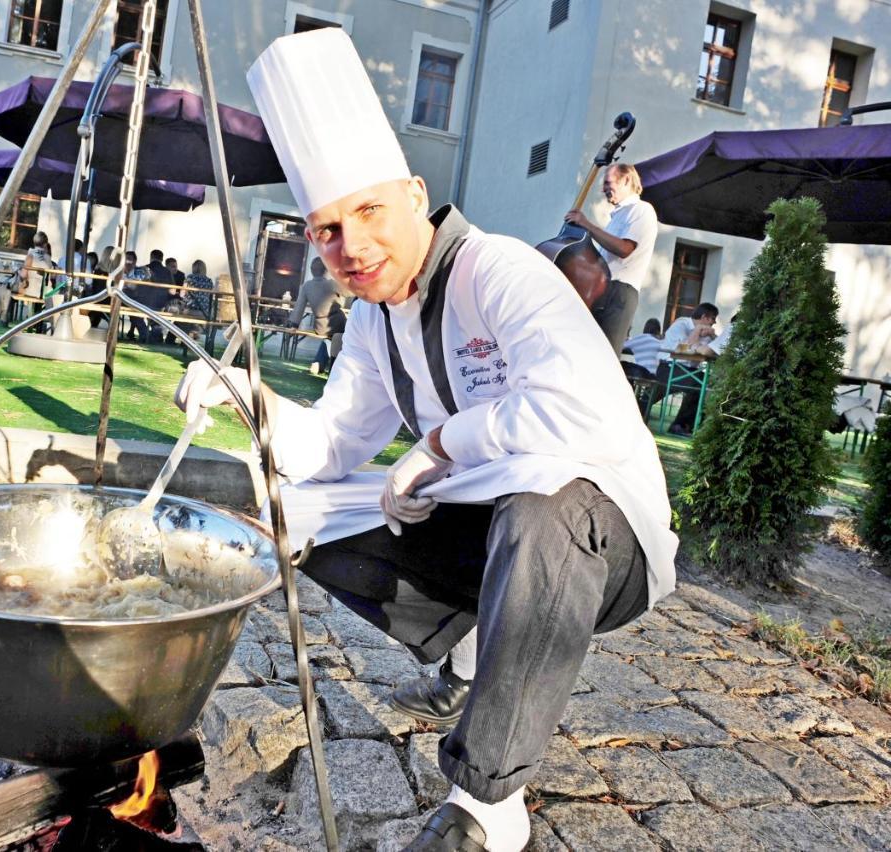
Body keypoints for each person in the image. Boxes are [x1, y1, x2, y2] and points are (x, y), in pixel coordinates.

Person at [175, 29, 676, 852]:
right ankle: (479, 644)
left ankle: (487, 804)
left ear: (414, 194)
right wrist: (249, 399)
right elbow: (331, 447)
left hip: (602, 542)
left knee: (542, 510)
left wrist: (442, 441)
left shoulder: (503, 270)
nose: (353, 246)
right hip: (492, 538)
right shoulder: (374, 322)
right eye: (328, 229)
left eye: (368, 211)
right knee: (289, 514)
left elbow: (585, 409)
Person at [563, 163, 658, 355]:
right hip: (604, 291)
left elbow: (624, 249)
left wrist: (586, 224)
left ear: (626, 180)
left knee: (604, 358)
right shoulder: (618, 217)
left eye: (608, 182)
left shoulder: (641, 209)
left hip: (620, 292)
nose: (603, 189)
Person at [654, 303, 719, 437]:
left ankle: (686, 425)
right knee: (699, 384)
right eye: (713, 318)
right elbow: (683, 349)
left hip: (687, 371)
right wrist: (697, 332)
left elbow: (715, 351)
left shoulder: (706, 333)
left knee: (709, 382)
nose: (714, 322)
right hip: (669, 368)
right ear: (704, 317)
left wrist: (712, 337)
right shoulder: (681, 324)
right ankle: (679, 426)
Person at [287, 256, 341, 373]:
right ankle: (330, 365)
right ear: (326, 270)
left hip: (321, 326)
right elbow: (349, 292)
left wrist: (294, 325)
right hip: (338, 324)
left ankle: (319, 363)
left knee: (331, 338)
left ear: (311, 270)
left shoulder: (307, 286)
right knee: (344, 335)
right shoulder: (332, 284)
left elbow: (299, 308)